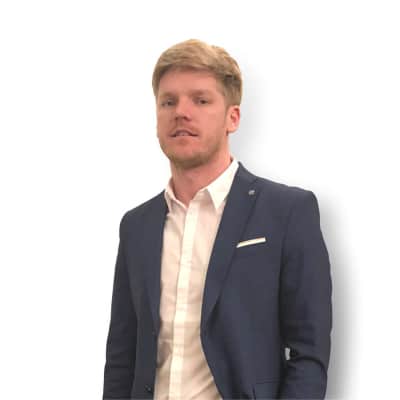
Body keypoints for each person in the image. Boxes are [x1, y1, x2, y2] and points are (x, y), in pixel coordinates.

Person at [103, 39, 332, 400]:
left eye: (201, 100)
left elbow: (308, 353)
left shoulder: (287, 212)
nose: (181, 112)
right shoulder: (137, 227)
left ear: (232, 117)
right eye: (168, 102)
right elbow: (122, 358)